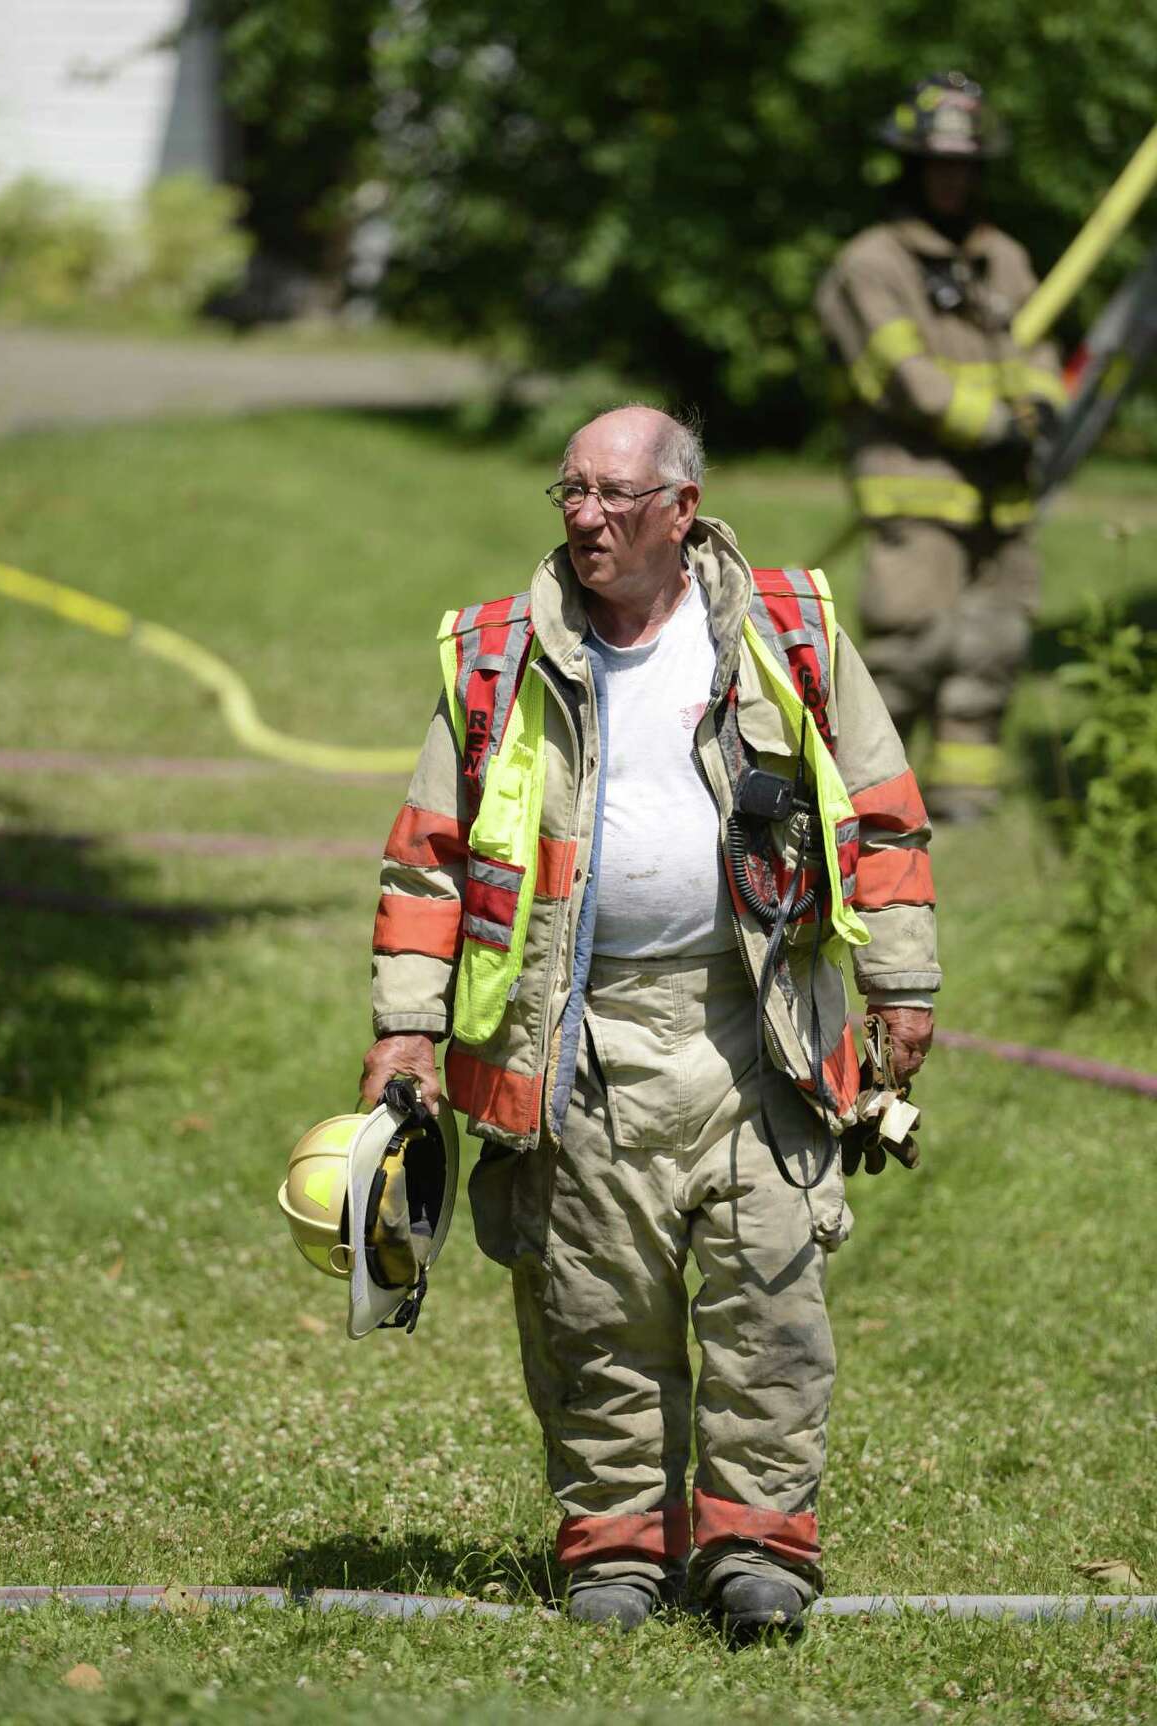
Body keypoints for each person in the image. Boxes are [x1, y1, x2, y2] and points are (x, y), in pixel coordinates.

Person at [360, 405, 940, 1639]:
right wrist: (408, 1027)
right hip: (573, 1033)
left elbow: (884, 818)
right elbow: (429, 863)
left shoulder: (791, 633)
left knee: (768, 1301)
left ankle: (758, 1552)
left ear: (682, 507)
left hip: (760, 1025)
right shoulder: (498, 655)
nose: (585, 518)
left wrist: (904, 986)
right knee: (593, 1305)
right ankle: (615, 1553)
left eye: (616, 496)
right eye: (569, 492)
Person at [816, 71, 1065, 821]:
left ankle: (965, 803)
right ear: (913, 166)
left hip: (1003, 497)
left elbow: (1041, 352)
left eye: (965, 165)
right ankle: (867, 808)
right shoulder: (873, 262)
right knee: (907, 657)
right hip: (915, 490)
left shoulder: (1006, 258)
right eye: (938, 164)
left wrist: (1044, 407)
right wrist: (990, 423)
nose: (952, 180)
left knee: (991, 650)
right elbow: (906, 378)